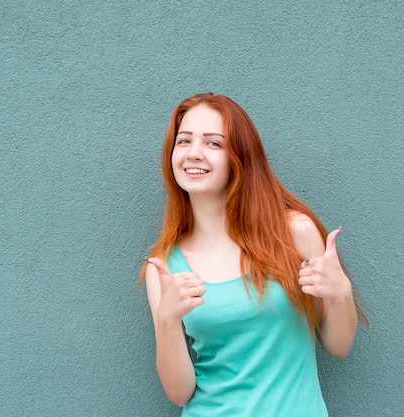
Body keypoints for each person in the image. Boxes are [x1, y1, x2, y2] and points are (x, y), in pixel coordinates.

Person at [141, 93, 367, 416]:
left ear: (240, 156)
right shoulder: (164, 267)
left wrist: (342, 293)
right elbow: (179, 393)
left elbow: (338, 345)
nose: (194, 153)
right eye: (184, 141)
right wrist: (166, 319)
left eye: (213, 144)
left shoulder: (295, 234)